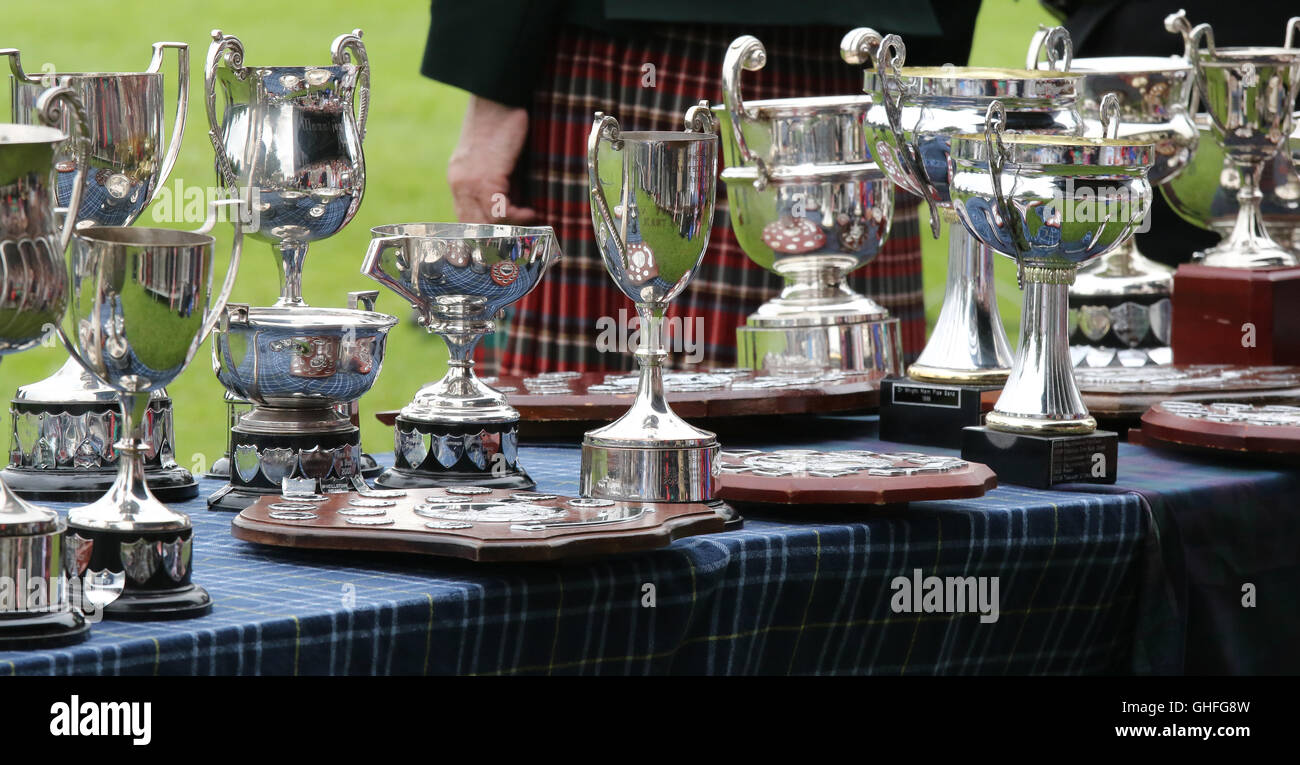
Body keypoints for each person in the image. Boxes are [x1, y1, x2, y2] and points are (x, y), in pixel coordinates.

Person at [422, 1, 983, 374]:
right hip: (655, 57)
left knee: (855, 460)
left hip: (852, 58)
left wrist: (495, 82)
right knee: (599, 442)